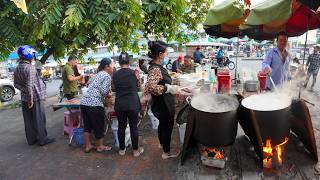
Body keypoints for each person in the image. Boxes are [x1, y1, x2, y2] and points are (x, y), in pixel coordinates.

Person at [145, 41, 180, 159]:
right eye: (166, 53)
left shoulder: (158, 67)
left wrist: (171, 87)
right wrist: (167, 88)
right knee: (168, 127)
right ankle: (166, 152)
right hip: (163, 104)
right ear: (160, 54)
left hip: (160, 104)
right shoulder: (155, 69)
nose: (167, 56)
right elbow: (150, 87)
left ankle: (161, 144)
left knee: (163, 124)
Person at [13, 45, 55, 146]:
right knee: (39, 118)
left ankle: (32, 140)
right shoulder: (30, 68)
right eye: (32, 54)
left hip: (24, 98)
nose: (33, 56)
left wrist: (25, 92)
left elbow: (16, 84)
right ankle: (42, 140)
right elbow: (30, 85)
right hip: (34, 98)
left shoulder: (17, 68)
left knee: (28, 120)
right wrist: (30, 100)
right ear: (28, 55)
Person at [112, 52, 144, 157]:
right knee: (133, 127)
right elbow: (139, 87)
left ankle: (122, 149)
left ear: (119, 62)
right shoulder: (134, 72)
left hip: (120, 104)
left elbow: (113, 89)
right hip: (133, 104)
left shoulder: (115, 74)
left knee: (121, 126)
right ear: (129, 61)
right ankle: (135, 150)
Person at [80, 58, 114, 153]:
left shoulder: (97, 74)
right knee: (99, 125)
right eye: (112, 65)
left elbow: (91, 85)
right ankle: (100, 146)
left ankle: (88, 146)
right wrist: (109, 94)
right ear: (107, 66)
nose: (113, 67)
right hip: (94, 103)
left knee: (87, 125)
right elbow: (104, 91)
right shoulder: (107, 75)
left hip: (84, 102)